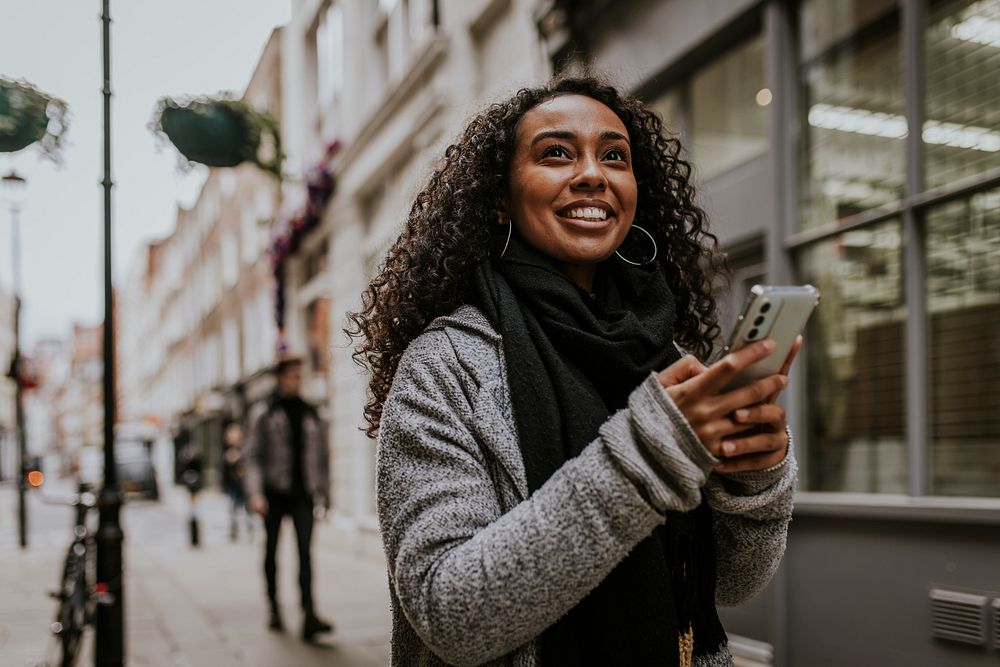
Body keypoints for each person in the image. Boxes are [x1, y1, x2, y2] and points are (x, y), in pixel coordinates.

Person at [346, 76, 801, 667]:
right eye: (556, 153)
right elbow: (447, 614)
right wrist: (647, 452)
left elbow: (730, 586)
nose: (593, 174)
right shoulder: (447, 365)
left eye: (614, 156)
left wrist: (754, 480)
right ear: (501, 195)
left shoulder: (663, 354)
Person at [244, 356, 334, 642]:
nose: (296, 380)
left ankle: (309, 614)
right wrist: (256, 493)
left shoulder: (310, 413)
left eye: (299, 376)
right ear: (280, 378)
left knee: (305, 554)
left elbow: (322, 458)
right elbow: (253, 456)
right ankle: (273, 607)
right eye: (291, 376)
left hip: (304, 494)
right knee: (271, 552)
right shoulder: (265, 413)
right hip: (273, 495)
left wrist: (325, 495)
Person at [221, 421, 252, 541]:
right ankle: (234, 532)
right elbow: (223, 470)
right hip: (232, 485)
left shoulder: (245, 448)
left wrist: (238, 458)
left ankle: (249, 531)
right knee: (232, 508)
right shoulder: (226, 449)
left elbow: (250, 465)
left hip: (244, 484)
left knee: (247, 509)